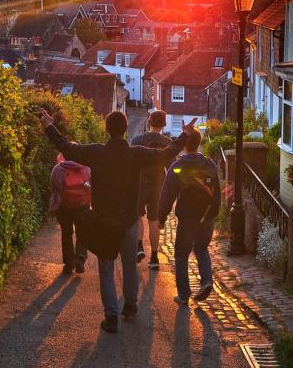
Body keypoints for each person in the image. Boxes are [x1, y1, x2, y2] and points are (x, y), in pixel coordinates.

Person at [39, 108, 197, 333]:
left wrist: (48, 125)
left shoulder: (96, 153)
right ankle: (130, 306)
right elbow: (166, 153)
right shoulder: (136, 154)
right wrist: (185, 135)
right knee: (130, 266)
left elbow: (67, 148)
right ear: (125, 130)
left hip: (104, 221)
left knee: (106, 269)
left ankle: (111, 316)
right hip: (130, 221)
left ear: (106, 129)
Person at [158, 129, 220, 305]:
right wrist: (213, 213)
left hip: (187, 217)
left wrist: (161, 218)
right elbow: (217, 193)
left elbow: (167, 194)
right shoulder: (210, 164)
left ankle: (184, 294)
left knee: (181, 254)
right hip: (207, 215)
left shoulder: (178, 166)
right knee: (201, 248)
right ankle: (207, 281)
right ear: (199, 143)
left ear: (184, 144)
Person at [131, 110, 173, 270]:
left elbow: (131, 163)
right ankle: (154, 257)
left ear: (149, 122)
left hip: (140, 183)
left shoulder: (137, 140)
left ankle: (139, 246)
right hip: (158, 186)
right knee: (154, 220)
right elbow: (171, 168)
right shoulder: (168, 143)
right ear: (163, 125)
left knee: (137, 217)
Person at [49, 151, 91, 275]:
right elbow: (90, 184)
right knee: (82, 232)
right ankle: (81, 257)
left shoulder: (58, 168)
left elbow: (53, 186)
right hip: (82, 206)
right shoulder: (85, 167)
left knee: (66, 233)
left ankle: (69, 264)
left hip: (63, 206)